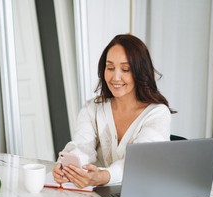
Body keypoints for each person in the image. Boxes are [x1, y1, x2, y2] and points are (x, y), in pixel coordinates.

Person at [52, 34, 173, 188]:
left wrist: (104, 176)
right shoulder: (92, 108)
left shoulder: (158, 114)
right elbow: (82, 146)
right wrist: (68, 168)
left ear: (140, 72)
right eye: (110, 68)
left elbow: (139, 163)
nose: (115, 77)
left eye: (125, 69)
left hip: (141, 196)